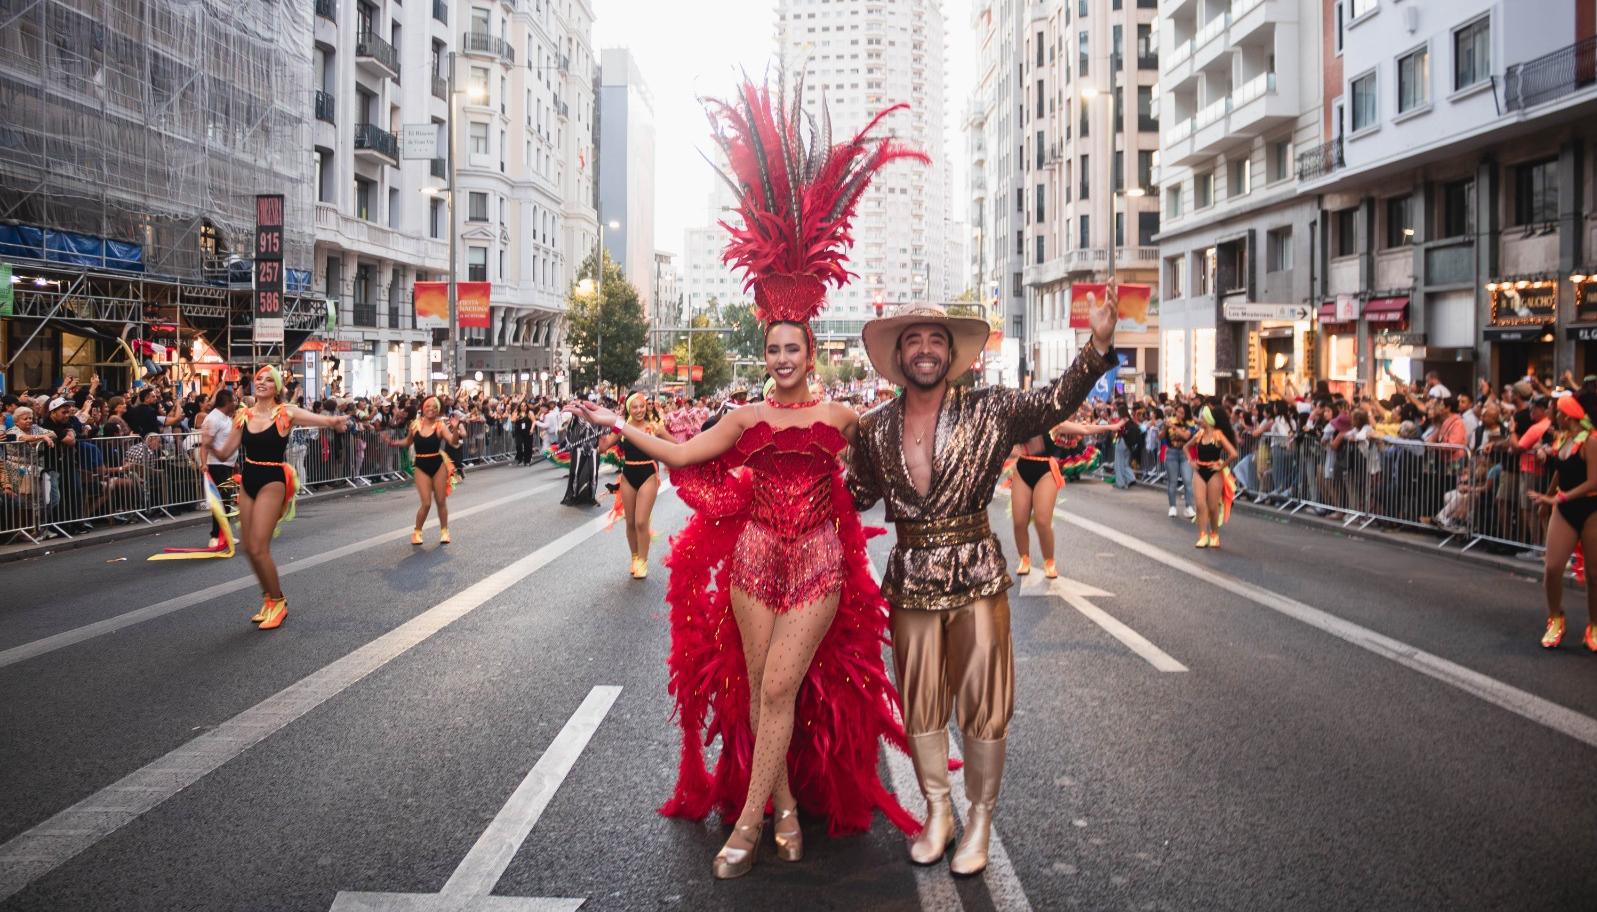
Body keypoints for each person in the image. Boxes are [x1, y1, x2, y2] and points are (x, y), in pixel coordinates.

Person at [567, 76, 925, 879]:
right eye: (772, 349)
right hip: (755, 556)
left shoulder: (838, 420)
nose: (783, 359)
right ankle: (786, 805)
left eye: (794, 348)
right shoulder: (744, 419)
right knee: (764, 687)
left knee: (780, 685)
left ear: (812, 353)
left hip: (821, 561)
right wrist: (618, 425)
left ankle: (752, 827)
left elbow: (895, 462)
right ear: (765, 354)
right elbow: (684, 456)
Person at [849, 288, 1117, 876]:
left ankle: (979, 820)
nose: (925, 350)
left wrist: (1096, 345)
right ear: (899, 356)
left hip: (976, 572)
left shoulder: (990, 409)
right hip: (911, 577)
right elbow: (855, 494)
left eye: (936, 340)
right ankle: (937, 811)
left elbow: (1052, 402)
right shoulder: (871, 428)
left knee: (985, 704)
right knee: (919, 702)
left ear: (952, 354)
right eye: (913, 340)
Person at [210, 366, 348, 630]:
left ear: (276, 388)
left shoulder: (285, 413)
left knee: (260, 548)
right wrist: (207, 445)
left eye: (267, 380)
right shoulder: (243, 415)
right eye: (258, 379)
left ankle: (278, 601)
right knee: (249, 548)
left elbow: (319, 420)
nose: (261, 383)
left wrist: (334, 421)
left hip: (272, 480)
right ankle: (268, 600)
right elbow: (227, 449)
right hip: (248, 477)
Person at [1009, 417, 1123, 577]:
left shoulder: (1054, 423)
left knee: (1042, 521)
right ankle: (1024, 559)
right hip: (1022, 469)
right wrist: (1012, 450)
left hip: (1046, 470)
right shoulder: (1020, 424)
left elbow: (1084, 429)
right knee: (1019, 522)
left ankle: (1049, 561)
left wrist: (1112, 426)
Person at [1531, 393, 1597, 651]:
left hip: (1591, 508)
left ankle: (1594, 625)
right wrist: (1548, 498)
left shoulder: (1591, 442)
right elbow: (1561, 470)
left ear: (1567, 415)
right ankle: (1556, 618)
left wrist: (1559, 498)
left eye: (1556, 411)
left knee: (1594, 573)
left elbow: (1594, 481)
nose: (1553, 414)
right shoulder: (1563, 439)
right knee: (1553, 567)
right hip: (1564, 507)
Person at [595, 391, 671, 579]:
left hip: (648, 475)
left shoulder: (654, 427)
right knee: (629, 522)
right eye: (634, 407)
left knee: (641, 521)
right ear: (629, 409)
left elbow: (677, 446)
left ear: (646, 407)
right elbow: (603, 447)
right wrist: (598, 434)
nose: (638, 410)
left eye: (642, 406)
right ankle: (635, 557)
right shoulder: (622, 427)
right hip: (628, 475)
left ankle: (643, 561)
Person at [386, 395, 459, 545]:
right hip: (421, 465)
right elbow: (407, 441)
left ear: (438, 410)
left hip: (438, 465)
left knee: (440, 501)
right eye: (428, 406)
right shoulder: (415, 424)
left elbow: (453, 441)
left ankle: (444, 531)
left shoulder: (440, 425)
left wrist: (456, 428)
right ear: (423, 408)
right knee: (426, 503)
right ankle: (417, 532)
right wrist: (393, 443)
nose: (431, 409)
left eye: (434, 407)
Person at [1191, 404, 1239, 549]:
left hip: (1214, 473)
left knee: (1212, 506)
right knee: (1200, 505)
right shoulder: (1199, 434)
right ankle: (1202, 535)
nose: (1200, 420)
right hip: (1199, 470)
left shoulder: (1218, 435)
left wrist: (1221, 466)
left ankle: (1214, 534)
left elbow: (1233, 453)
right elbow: (1186, 447)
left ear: (1209, 420)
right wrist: (1191, 460)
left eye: (1202, 417)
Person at [1163, 403, 1196, 518]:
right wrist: (1165, 427)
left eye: (1183, 413)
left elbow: (1186, 436)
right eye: (1178, 412)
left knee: (1188, 481)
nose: (1180, 415)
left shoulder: (1190, 424)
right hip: (1171, 453)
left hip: (1184, 454)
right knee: (1172, 482)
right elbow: (1161, 436)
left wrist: (1173, 426)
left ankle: (1189, 507)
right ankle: (1172, 506)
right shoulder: (1169, 421)